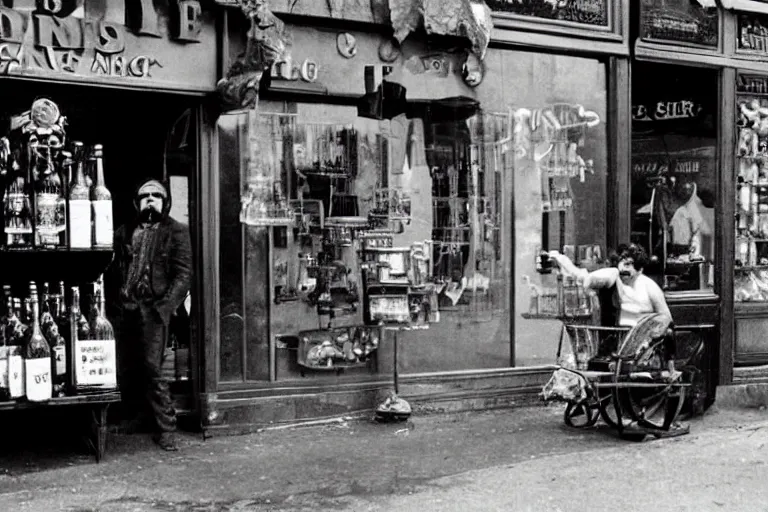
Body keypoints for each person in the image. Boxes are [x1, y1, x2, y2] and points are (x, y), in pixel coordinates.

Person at [113, 178, 192, 451]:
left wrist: (164, 309)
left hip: (154, 309)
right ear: (137, 203)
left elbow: (183, 276)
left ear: (165, 203)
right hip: (127, 308)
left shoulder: (176, 232)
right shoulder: (125, 231)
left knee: (153, 369)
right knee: (128, 366)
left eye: (155, 196)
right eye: (144, 196)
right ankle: (139, 418)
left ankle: (167, 428)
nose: (149, 200)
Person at [548, 243, 677, 376]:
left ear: (640, 269)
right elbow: (585, 279)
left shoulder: (649, 287)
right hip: (618, 342)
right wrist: (563, 261)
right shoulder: (614, 276)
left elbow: (666, 319)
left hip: (646, 347)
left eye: (631, 264)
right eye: (623, 263)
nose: (625, 269)